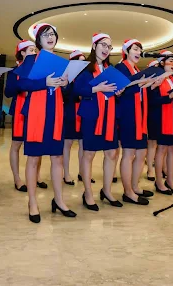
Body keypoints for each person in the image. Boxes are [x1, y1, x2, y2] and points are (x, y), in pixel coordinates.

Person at [19, 23, 74, 223]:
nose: (50, 37)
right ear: (38, 40)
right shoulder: (31, 59)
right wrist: (45, 83)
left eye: (53, 34)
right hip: (36, 113)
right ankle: (32, 203)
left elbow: (67, 93)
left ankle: (59, 200)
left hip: (55, 113)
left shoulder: (61, 62)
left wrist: (66, 84)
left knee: (57, 158)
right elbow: (21, 83)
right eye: (46, 34)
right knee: (33, 159)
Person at [74, 34, 121, 210]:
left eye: (109, 46)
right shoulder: (85, 67)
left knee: (112, 154)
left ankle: (107, 191)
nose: (106, 49)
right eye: (103, 44)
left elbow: (114, 89)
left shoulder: (111, 69)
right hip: (92, 116)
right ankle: (88, 193)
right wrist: (96, 88)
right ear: (94, 46)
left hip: (109, 116)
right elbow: (76, 89)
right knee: (89, 155)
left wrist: (118, 91)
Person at [115, 39, 155, 205]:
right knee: (129, 153)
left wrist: (148, 84)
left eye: (140, 49)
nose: (139, 52)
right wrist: (140, 83)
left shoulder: (138, 69)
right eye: (135, 49)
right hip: (128, 115)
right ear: (127, 51)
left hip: (140, 115)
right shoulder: (121, 67)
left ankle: (135, 186)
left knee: (141, 153)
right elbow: (121, 89)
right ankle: (127, 192)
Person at [4, 40, 47, 192]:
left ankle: (37, 175)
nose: (34, 52)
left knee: (37, 143)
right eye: (30, 50)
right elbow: (8, 92)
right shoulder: (14, 71)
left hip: (37, 109)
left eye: (35, 50)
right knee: (16, 144)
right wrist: (22, 84)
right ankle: (17, 179)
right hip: (20, 108)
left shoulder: (39, 69)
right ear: (22, 53)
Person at [148, 51, 173, 195]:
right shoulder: (157, 79)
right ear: (162, 63)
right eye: (170, 61)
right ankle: (159, 182)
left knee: (172, 150)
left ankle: (170, 180)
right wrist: (169, 96)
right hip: (161, 118)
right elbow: (152, 101)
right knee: (161, 149)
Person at [62, 49, 90, 185]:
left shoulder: (86, 77)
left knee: (83, 145)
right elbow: (64, 93)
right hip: (70, 113)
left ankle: (82, 172)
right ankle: (66, 174)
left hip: (84, 113)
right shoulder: (67, 76)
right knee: (67, 144)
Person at [145, 59, 159, 180]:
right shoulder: (148, 84)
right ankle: (150, 169)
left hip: (163, 115)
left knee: (161, 145)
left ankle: (161, 168)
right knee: (152, 143)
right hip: (151, 115)